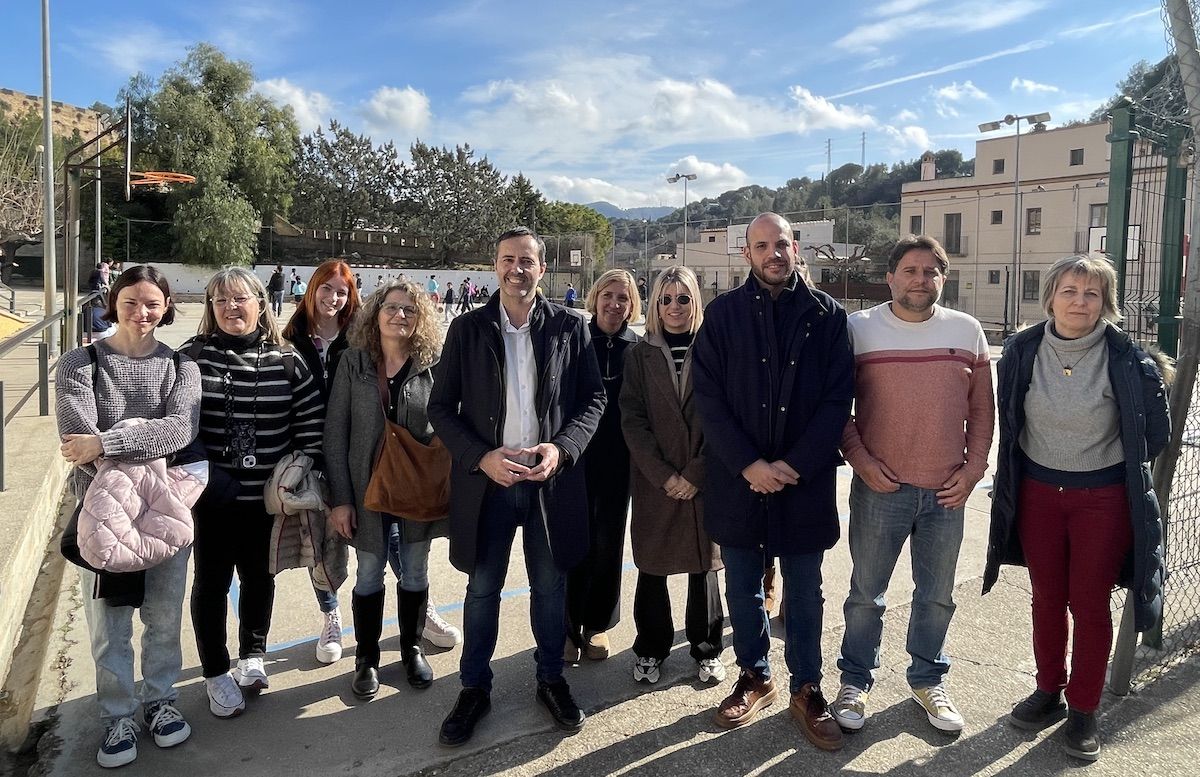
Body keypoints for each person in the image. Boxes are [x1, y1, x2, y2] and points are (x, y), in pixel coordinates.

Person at [982, 253, 1169, 762]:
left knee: (1088, 604)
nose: (1080, 301)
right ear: (1050, 296)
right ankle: (1049, 690)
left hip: (1102, 500)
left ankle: (1084, 709)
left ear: (1105, 301)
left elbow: (1155, 434)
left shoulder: (1130, 358)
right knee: (1046, 597)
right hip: (1039, 494)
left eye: (1091, 293)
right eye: (1070, 290)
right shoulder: (1022, 350)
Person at [429, 226, 606, 747]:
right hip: (491, 486)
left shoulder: (570, 329)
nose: (517, 269)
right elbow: (441, 409)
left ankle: (550, 678)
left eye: (527, 261)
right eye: (508, 260)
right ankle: (473, 688)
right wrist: (480, 457)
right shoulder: (466, 330)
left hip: (549, 485)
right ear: (495, 265)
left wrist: (562, 448)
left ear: (542, 269)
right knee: (482, 589)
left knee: (551, 590)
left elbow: (592, 401)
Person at [691, 212, 854, 751]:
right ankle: (754, 675)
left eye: (781, 243)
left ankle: (807, 687)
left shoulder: (827, 316)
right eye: (762, 245)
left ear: (796, 246)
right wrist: (748, 465)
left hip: (803, 483)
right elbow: (708, 400)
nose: (773, 253)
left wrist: (797, 465)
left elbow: (837, 400)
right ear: (747, 253)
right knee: (742, 587)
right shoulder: (722, 315)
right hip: (739, 480)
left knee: (805, 592)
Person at [832, 235, 995, 735]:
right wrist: (859, 460)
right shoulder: (858, 329)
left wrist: (972, 471)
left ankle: (928, 680)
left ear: (943, 278)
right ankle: (855, 681)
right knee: (866, 595)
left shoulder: (967, 331)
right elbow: (835, 408)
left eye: (931, 272)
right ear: (890, 276)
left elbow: (982, 409)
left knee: (937, 595)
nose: (920, 280)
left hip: (947, 491)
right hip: (881, 490)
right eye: (910, 270)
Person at [56, 265, 201, 768]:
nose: (142, 313)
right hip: (100, 515)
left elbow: (179, 429)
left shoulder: (182, 368)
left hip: (163, 512)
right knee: (109, 624)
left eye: (152, 304)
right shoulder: (81, 362)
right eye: (131, 302)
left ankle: (160, 702)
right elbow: (77, 439)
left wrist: (109, 440)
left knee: (163, 618)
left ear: (166, 308)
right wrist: (127, 441)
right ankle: (117, 714)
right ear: (112, 302)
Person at [183, 267, 325, 719]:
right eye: (220, 301)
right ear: (211, 308)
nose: (230, 309)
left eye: (240, 299)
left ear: (260, 303)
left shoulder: (287, 359)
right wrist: (208, 474)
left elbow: (310, 428)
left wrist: (294, 471)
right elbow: (177, 426)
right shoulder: (192, 357)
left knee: (259, 579)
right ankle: (215, 671)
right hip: (211, 499)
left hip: (267, 501)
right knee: (210, 584)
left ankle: (252, 656)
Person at [325, 279, 456, 698]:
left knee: (415, 570)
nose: (400, 315)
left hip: (416, 487)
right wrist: (341, 499)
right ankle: (366, 659)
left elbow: (450, 420)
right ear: (375, 313)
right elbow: (335, 434)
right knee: (368, 573)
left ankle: (411, 649)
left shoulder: (433, 361)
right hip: (365, 488)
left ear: (421, 319)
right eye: (392, 308)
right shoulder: (353, 361)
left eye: (410, 310)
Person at [620, 265, 724, 687]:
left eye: (683, 298)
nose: (674, 307)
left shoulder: (716, 350)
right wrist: (663, 474)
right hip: (655, 481)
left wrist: (697, 471)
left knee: (705, 568)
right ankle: (650, 647)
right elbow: (632, 418)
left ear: (695, 302)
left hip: (703, 478)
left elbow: (724, 417)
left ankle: (706, 647)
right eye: (666, 299)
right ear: (655, 304)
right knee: (653, 566)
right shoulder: (639, 354)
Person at [281, 259, 359, 665]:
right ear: (311, 289)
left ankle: (421, 604)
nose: (332, 297)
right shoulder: (289, 340)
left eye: (341, 291)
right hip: (312, 459)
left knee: (389, 540)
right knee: (321, 545)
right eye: (326, 288)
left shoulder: (362, 337)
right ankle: (330, 614)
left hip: (360, 455)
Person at [565, 270, 641, 663]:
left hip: (619, 460)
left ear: (633, 305)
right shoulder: (574, 340)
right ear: (594, 298)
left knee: (608, 544)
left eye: (623, 298)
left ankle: (596, 625)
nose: (614, 304)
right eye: (608, 295)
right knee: (573, 540)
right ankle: (566, 624)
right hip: (575, 457)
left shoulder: (639, 348)